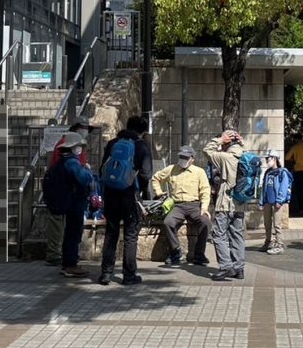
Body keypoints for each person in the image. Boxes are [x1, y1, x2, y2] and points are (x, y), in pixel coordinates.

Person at [98, 115, 153, 286]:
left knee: (111, 233)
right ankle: (129, 275)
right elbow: (147, 174)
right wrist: (138, 188)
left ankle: (106, 274)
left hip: (111, 195)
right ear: (142, 131)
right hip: (130, 196)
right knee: (130, 236)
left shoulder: (113, 144)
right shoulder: (141, 145)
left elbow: (103, 169)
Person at [41, 131, 94, 278]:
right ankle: (71, 264)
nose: (81, 149)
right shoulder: (72, 162)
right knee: (73, 234)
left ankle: (67, 263)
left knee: (69, 234)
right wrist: (88, 172)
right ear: (73, 147)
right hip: (74, 203)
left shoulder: (61, 161)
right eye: (79, 146)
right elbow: (84, 179)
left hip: (65, 202)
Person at [154, 146, 211, 267]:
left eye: (185, 157)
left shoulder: (199, 172)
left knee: (205, 222)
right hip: (177, 206)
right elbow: (156, 178)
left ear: (192, 159)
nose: (182, 159)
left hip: (194, 205)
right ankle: (175, 252)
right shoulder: (171, 169)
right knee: (168, 222)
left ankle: (199, 254)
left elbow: (205, 190)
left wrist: (204, 208)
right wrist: (159, 192)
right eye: (181, 157)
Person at [204, 130, 249, 281]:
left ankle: (225, 266)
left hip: (225, 203)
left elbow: (207, 151)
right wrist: (242, 143)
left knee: (218, 234)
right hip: (240, 204)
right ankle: (239, 268)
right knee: (237, 235)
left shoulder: (226, 157)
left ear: (227, 142)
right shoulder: (245, 155)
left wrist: (219, 140)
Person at [259, 150, 293, 255]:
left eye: (268, 158)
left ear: (274, 159)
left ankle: (279, 244)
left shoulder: (282, 172)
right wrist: (261, 202)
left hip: (277, 202)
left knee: (277, 224)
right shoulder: (268, 172)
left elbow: (283, 187)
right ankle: (268, 242)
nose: (266, 161)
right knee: (267, 223)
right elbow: (264, 188)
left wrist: (280, 200)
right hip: (268, 202)